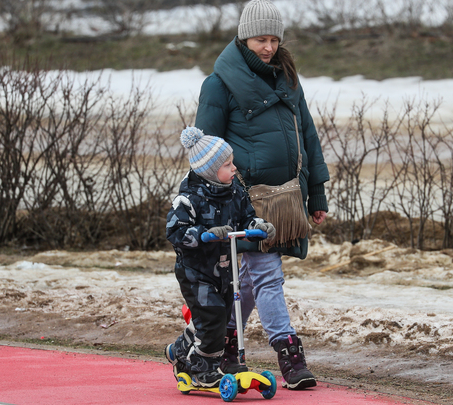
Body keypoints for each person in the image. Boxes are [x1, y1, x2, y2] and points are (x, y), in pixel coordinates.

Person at [193, 0, 330, 390]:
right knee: (268, 274)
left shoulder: (287, 76)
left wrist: (315, 193)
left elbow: (308, 135)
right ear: (243, 37)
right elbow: (205, 152)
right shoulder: (219, 84)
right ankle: (290, 356)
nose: (268, 47)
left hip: (286, 197)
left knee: (251, 279)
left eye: (273, 39)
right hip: (244, 199)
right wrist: (208, 204)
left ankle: (221, 344)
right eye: (260, 39)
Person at [164, 126, 275, 388]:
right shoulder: (189, 198)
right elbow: (175, 231)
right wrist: (204, 234)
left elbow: (246, 217)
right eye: (227, 164)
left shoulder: (234, 191)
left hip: (225, 271)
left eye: (232, 162)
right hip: (195, 272)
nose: (234, 168)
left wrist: (258, 226)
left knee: (218, 318)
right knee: (213, 319)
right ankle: (202, 370)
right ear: (211, 171)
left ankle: (180, 349)